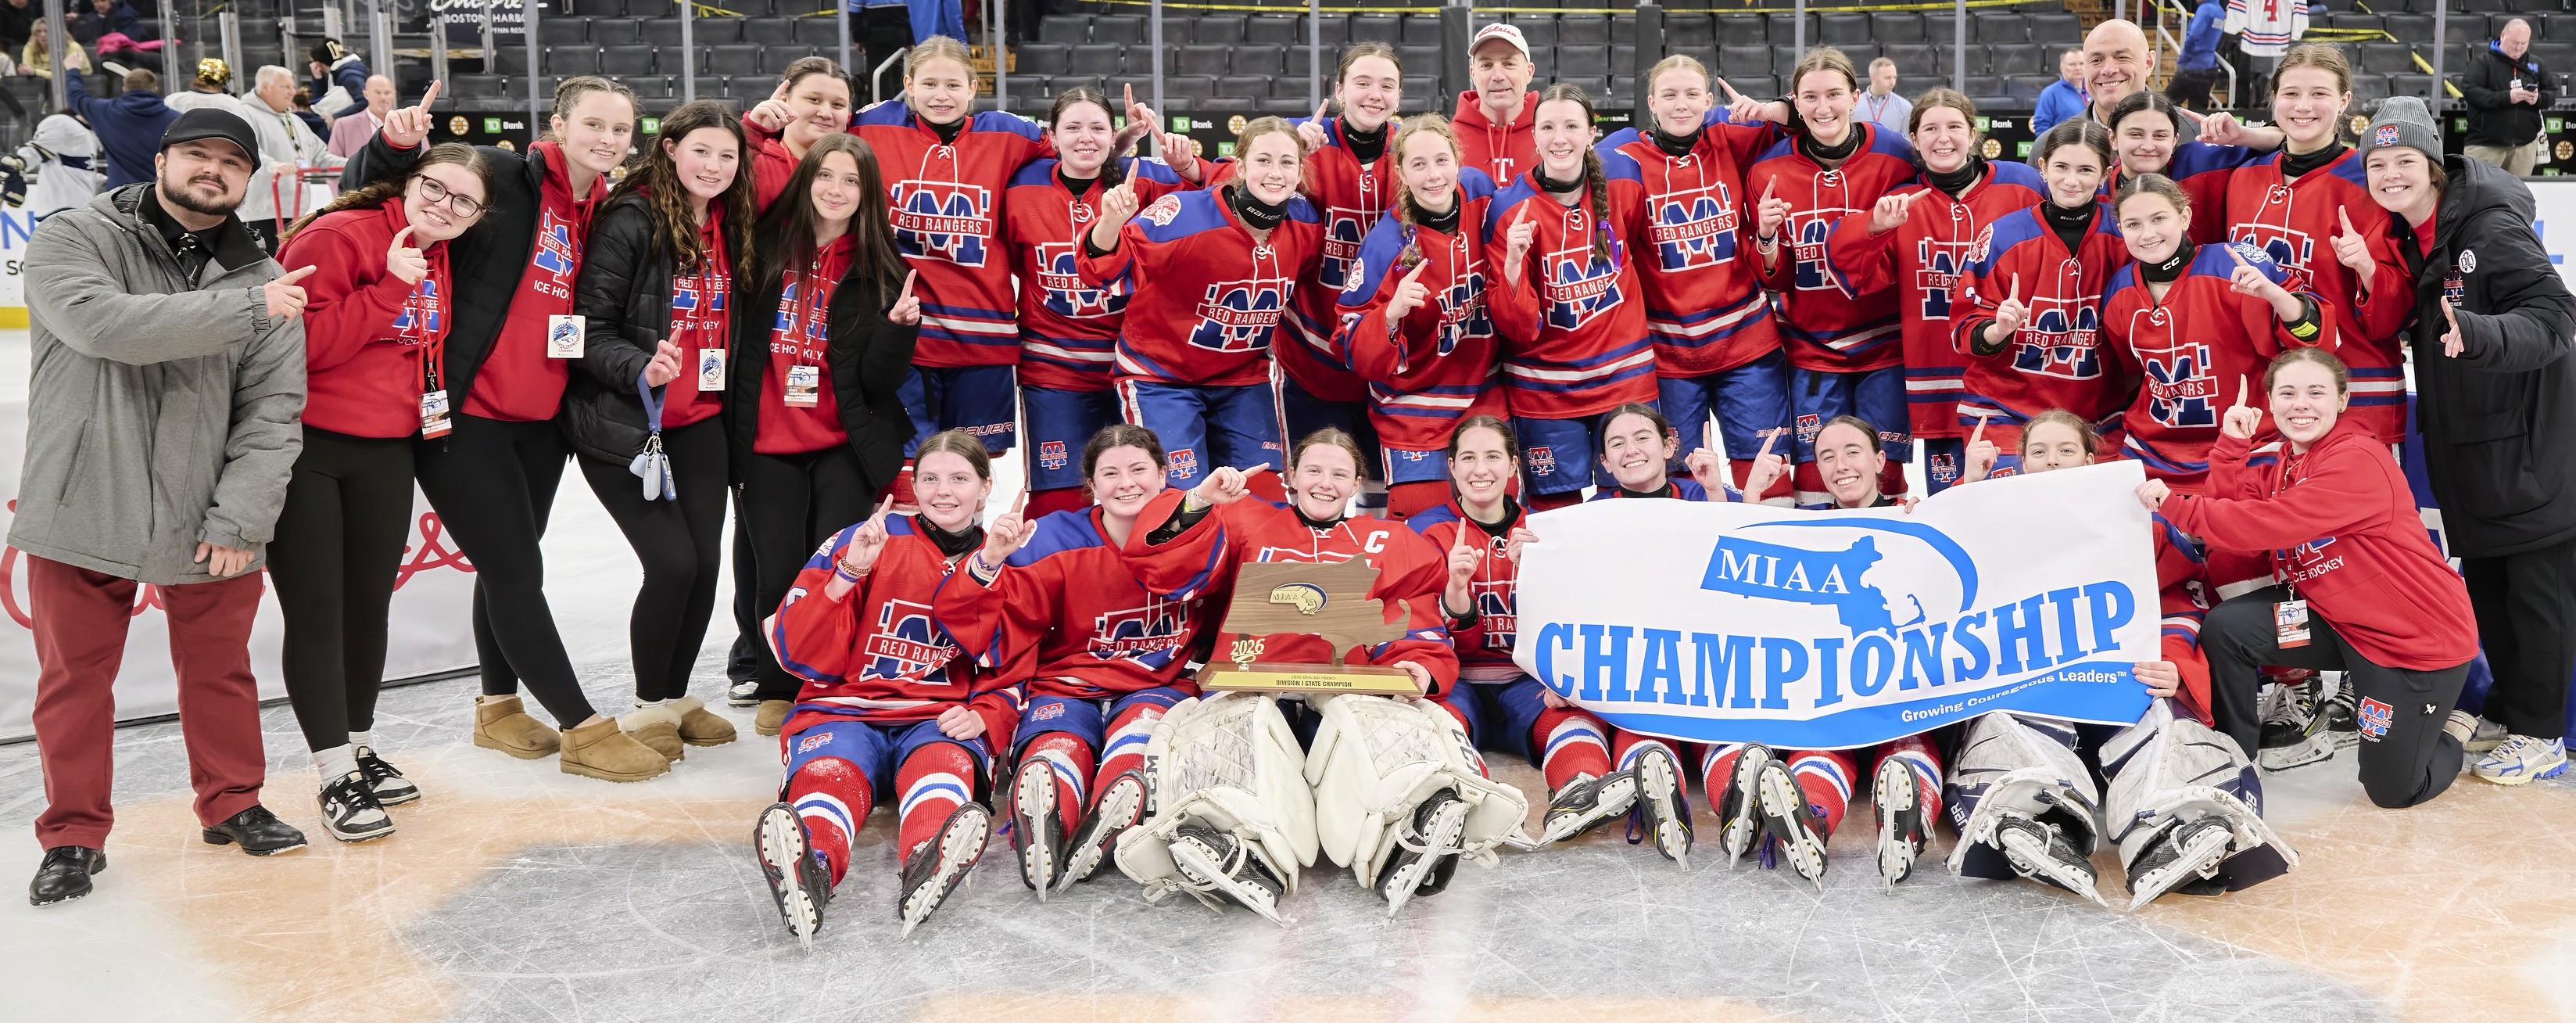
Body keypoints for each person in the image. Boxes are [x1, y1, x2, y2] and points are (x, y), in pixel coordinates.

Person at [20, 107, 310, 906]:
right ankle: (74, 835)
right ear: (161, 159)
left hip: (205, 510)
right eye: (197, 155)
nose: (212, 170)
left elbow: (272, 411)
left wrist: (241, 517)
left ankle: (234, 802)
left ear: (251, 179)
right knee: (74, 681)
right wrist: (254, 308)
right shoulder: (74, 236)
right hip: (84, 497)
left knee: (221, 670)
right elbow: (102, 325)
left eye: (232, 162)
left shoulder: (262, 273)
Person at [349, 77, 658, 777]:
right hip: (465, 414)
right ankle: (581, 728)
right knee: (518, 572)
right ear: (557, 123)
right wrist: (391, 147)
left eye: (620, 129)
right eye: (594, 124)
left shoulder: (606, 208)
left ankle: (497, 706)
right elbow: (385, 194)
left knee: (505, 566)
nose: (608, 139)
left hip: (541, 418)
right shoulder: (500, 175)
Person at [1109, 429, 1521, 920]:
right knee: (1238, 736)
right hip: (1255, 685)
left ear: (1357, 486)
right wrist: (1201, 499)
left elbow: (1414, 617)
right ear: (1291, 478)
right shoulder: (1245, 522)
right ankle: (1235, 851)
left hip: (1346, 691)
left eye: (1339, 475)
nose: (1325, 483)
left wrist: (1422, 666)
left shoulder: (1389, 540)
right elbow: (1159, 565)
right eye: (1314, 471)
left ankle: (1408, 835)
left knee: (1381, 728)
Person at [1945, 410, 2298, 910]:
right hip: (2040, 695)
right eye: (2039, 452)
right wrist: (1969, 492)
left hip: (2118, 691)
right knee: (2004, 724)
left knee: (2163, 721)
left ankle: (2173, 830)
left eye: (2066, 450)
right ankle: (2035, 823)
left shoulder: (2135, 520)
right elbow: (1941, 594)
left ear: (2091, 459)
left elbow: (2179, 596)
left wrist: (2177, 665)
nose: (2052, 462)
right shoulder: (1990, 523)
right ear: (2020, 464)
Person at [269, 142, 490, 842]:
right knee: (318, 608)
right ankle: (332, 767)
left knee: (368, 605)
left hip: (388, 448)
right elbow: (294, 346)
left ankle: (357, 744)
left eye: (464, 201)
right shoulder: (341, 235)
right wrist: (388, 287)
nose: (445, 206)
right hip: (309, 448)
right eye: (435, 188)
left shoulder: (442, 251)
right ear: (410, 181)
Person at [2352, 97, 2576, 784]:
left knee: (2536, 594)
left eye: (2404, 161)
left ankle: (2542, 734)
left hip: (2529, 446)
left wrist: (2479, 334)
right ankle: (2510, 713)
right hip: (2471, 447)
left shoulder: (2488, 225)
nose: (2390, 175)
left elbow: (2556, 316)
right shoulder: (2414, 235)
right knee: (2490, 585)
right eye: (2378, 164)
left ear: (2433, 165)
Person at [2144, 348, 2477, 809]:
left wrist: (2175, 505)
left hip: (2410, 643)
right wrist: (2229, 451)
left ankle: (2452, 730)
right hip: (2332, 621)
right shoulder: (2286, 461)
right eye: (2288, 393)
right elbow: (2238, 539)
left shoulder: (2359, 457)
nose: (2301, 404)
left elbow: (2264, 524)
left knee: (2392, 789)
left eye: (2315, 392)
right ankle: (2235, 755)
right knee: (2228, 629)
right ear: (2271, 403)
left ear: (2341, 401)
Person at [751, 431, 1023, 944]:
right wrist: (849, 574)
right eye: (929, 479)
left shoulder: (1003, 557)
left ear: (985, 487)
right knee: (829, 773)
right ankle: (808, 863)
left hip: (935, 717)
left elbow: (1013, 659)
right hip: (844, 710)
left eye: (959, 479)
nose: (943, 492)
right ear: (913, 485)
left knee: (942, 768)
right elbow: (795, 649)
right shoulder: (867, 540)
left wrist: (988, 713)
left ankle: (929, 858)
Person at [930, 424, 1214, 897]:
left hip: (1154, 685)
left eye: (1139, 469)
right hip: (1067, 683)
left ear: (1165, 476)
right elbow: (1000, 627)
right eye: (1110, 473)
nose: (1127, 483)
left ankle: (1107, 816)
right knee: (1056, 746)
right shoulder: (1052, 539)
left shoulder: (1201, 535)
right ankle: (1048, 822)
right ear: (1092, 485)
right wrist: (991, 560)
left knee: (1140, 736)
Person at [1412, 415, 1701, 866]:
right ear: (1451, 467)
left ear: (1513, 467)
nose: (1480, 469)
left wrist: (1562, 668)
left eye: (1493, 457)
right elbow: (1424, 631)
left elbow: (1582, 614)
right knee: (1438, 732)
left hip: (1528, 681)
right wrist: (1456, 592)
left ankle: (1577, 794)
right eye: (1468, 458)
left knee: (1576, 719)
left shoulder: (1552, 528)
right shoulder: (1424, 532)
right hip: (1459, 678)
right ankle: (1465, 811)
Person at [564, 100, 755, 762]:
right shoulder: (633, 217)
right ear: (669, 148)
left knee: (703, 567)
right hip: (624, 424)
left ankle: (675, 697)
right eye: (701, 150)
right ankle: (648, 703)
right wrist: (640, 367)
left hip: (700, 420)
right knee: (671, 563)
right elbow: (586, 329)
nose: (715, 165)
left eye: (728, 155)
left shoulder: (731, 222)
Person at [728, 134, 925, 734]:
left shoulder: (879, 267)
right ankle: (778, 682)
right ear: (806, 179)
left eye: (851, 181)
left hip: (843, 441)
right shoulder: (762, 247)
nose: (836, 190)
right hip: (765, 440)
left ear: (866, 196)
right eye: (826, 176)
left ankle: (829, 678)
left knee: (834, 563)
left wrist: (897, 331)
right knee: (777, 564)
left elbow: (875, 381)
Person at [1699, 415, 1947, 888]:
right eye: (1827, 456)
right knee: (1823, 742)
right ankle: (1809, 824)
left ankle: (1907, 830)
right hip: (1827, 686)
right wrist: (1749, 496)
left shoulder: (1916, 519)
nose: (1840, 465)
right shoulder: (1803, 528)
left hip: (1901, 687)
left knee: (1908, 743)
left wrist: (1957, 497)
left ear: (1880, 461)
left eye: (1852, 452)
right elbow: (1736, 556)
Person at [1077, 116, 1322, 495]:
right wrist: (1109, 224)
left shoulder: (1305, 223)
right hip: (1161, 376)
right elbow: (1101, 273)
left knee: (1263, 498)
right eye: (1263, 160)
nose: (1275, 172)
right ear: (1239, 167)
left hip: (1242, 378)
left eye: (1287, 162)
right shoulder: (1183, 215)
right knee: (1180, 498)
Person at [849, 38, 1048, 496]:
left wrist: (1123, 145)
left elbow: (1079, 156)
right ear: (908, 85)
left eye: (953, 84)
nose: (941, 95)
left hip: (983, 336)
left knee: (968, 469)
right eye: (930, 83)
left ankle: (963, 563)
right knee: (903, 465)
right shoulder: (871, 125)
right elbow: (805, 138)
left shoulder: (1011, 134)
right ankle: (908, 561)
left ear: (973, 87)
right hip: (904, 333)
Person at [1825, 89, 2044, 492]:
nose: (1943, 138)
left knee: (2016, 502)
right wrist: (1872, 227)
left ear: (1973, 134)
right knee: (1950, 506)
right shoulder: (1899, 202)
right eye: (1930, 129)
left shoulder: (2023, 186)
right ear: (1914, 138)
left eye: (1954, 127)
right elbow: (1853, 274)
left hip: (2014, 376)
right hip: (1937, 379)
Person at [1599, 56, 1791, 503]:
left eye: (1691, 95)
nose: (1680, 105)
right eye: (1669, 95)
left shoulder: (1734, 135)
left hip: (1747, 344)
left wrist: (1766, 109)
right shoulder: (1623, 155)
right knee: (1680, 473)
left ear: (1709, 101)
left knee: (1768, 466)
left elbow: (1811, 117)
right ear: (1651, 103)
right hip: (1670, 352)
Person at [1005, 88, 1198, 519]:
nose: (1085, 138)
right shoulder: (1019, 185)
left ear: (1115, 137)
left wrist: (1187, 164)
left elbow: (1219, 189)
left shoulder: (1142, 179)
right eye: (1072, 127)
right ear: (1052, 136)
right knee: (1058, 500)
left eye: (1097, 128)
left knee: (1147, 493)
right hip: (1054, 367)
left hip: (1133, 367)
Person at [1747, 47, 1922, 505]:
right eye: (1810, 97)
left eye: (1834, 95)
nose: (1823, 108)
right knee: (1816, 467)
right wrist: (1765, 236)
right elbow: (1775, 278)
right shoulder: (1767, 169)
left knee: (1884, 468)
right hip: (1808, 343)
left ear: (1856, 96)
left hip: (1882, 341)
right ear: (1795, 102)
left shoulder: (1896, 153)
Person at [1483, 84, 1657, 508]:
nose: (1559, 138)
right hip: (1545, 389)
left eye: (1571, 126)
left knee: (1636, 503)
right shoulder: (1508, 208)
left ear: (1591, 132)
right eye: (1547, 127)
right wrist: (1512, 267)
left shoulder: (1624, 182)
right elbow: (1517, 328)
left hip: (1624, 377)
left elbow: (1636, 251)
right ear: (1534, 135)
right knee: (1554, 515)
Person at [2100, 173, 2327, 494]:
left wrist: (2273, 294)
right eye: (2133, 224)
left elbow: (2313, 335)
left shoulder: (2234, 263)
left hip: (2249, 447)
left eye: (2159, 218)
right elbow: (2133, 373)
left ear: (2185, 217)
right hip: (2153, 454)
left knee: (2238, 541)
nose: (2147, 233)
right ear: (2121, 229)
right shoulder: (2119, 289)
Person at [2223, 45, 2402, 446]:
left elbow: (2398, 310)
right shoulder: (2243, 178)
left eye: (2319, 94)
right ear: (2273, 100)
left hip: (2354, 392)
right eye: (2291, 94)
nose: (2303, 106)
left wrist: (2369, 269)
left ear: (2344, 101)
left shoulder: (2372, 180)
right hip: (2270, 396)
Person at [1338, 113, 1506, 519]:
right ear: (1401, 172)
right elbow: (1349, 345)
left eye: (1442, 161)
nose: (1434, 176)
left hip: (1483, 397)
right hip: (1413, 414)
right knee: (1420, 541)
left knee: (1499, 525)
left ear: (1458, 160)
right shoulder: (1384, 245)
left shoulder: (1480, 192)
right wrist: (1390, 315)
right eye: (1418, 164)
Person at [1276, 44, 1410, 515]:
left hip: (1383, 349)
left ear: (1398, 96)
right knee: (1316, 482)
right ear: (1338, 90)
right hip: (1311, 352)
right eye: (1362, 83)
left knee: (1379, 488)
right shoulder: (1304, 147)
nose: (1374, 95)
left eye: (1386, 86)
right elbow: (1240, 184)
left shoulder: (1411, 152)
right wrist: (1290, 149)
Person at [1950, 119, 2131, 465]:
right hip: (2006, 410)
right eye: (2061, 167)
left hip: (2097, 417)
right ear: (2044, 168)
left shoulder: (2125, 235)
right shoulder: (2002, 236)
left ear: (2106, 173)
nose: (2072, 180)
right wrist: (1997, 329)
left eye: (2086, 169)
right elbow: (1963, 329)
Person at [236, 64, 343, 253]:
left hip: (296, 212)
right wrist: (273, 166)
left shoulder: (294, 120)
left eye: (292, 87)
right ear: (265, 87)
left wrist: (352, 163)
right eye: (285, 87)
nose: (292, 92)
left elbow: (320, 156)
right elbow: (247, 150)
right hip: (263, 212)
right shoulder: (245, 113)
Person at [742, 58, 856, 209]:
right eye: (814, 100)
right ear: (784, 100)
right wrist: (751, 132)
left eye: (838, 105)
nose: (826, 113)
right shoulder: (754, 161)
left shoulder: (856, 169)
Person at [2463, 19, 2552, 177]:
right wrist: (2507, 97)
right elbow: (2471, 93)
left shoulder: (2537, 64)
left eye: (2524, 44)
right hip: (2485, 146)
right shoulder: (2483, 62)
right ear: (2503, 36)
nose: (2519, 48)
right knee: (2480, 195)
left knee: (2517, 197)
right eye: (2515, 42)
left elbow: (2551, 94)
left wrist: (2538, 99)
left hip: (2524, 147)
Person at [61, 66, 173, 188]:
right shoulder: (176, 119)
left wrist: (73, 69)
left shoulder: (104, 111)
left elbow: (75, 96)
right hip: (157, 195)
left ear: (124, 88)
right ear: (155, 89)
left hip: (118, 196)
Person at [1453, 23, 1537, 185]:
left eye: (1509, 64)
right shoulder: (1447, 141)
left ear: (1529, 72)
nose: (1498, 76)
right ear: (1473, 74)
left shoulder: (1551, 137)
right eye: (1486, 65)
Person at [13, 109, 105, 218]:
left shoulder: (88, 134)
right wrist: (18, 163)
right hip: (62, 210)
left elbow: (81, 170)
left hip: (80, 211)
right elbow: (34, 152)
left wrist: (104, 181)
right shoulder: (62, 122)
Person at [2223, 0, 2306, 108]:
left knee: (2247, 80)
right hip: (2280, 44)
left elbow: (2235, 18)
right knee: (2278, 82)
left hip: (2252, 44)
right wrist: (2296, 34)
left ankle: (2244, 110)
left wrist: (2232, 27)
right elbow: (2301, 20)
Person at [2169, 0, 2227, 111]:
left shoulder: (2205, 9)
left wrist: (2184, 58)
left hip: (2193, 66)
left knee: (2165, 103)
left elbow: (2194, 36)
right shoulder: (2220, 11)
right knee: (2198, 111)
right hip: (2209, 67)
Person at [327, 74, 396, 160]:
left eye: (387, 93)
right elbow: (333, 163)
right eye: (378, 93)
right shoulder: (343, 125)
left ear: (394, 95)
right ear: (366, 94)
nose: (383, 98)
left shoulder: (404, 125)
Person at [307, 38, 367, 120]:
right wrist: (318, 79)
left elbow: (364, 101)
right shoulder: (340, 73)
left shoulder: (349, 76)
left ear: (319, 63)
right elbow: (320, 103)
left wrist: (336, 117)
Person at [2032, 51, 2088, 137]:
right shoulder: (2049, 93)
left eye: (2081, 63)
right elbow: (2041, 128)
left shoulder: (2093, 90)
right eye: (2072, 64)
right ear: (2062, 67)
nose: (2078, 68)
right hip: (2064, 147)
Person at [1858, 58, 1911, 137]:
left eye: (1894, 77)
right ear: (1873, 78)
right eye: (1888, 78)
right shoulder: (1854, 105)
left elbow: (1908, 142)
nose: (1893, 83)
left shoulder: (1905, 107)